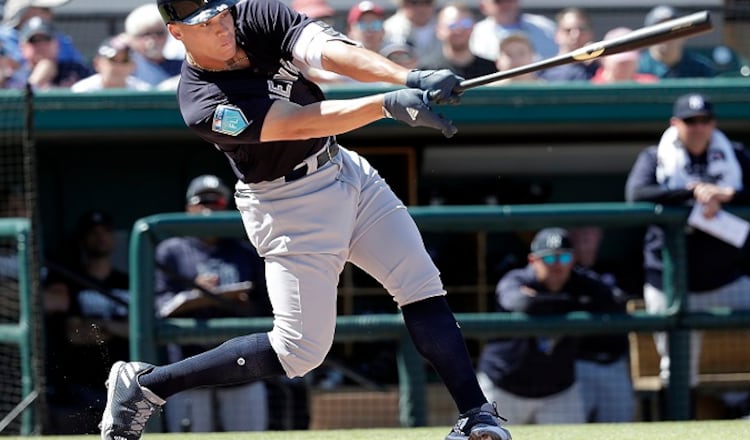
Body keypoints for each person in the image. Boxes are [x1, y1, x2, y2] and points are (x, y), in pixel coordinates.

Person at [99, 3, 511, 440]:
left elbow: (328, 49)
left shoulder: (251, 15)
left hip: (344, 168)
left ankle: (475, 415)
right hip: (288, 203)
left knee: (421, 284)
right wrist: (386, 104)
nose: (223, 29)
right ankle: (147, 386)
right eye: (207, 25)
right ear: (177, 33)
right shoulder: (201, 101)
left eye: (223, 18)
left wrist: (406, 77)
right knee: (299, 352)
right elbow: (295, 124)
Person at [624, 92, 750, 419]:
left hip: (723, 278)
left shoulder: (734, 154)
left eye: (705, 121)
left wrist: (729, 194)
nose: (698, 127)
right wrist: (692, 191)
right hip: (669, 281)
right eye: (690, 121)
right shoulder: (655, 155)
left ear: (713, 124)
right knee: (679, 367)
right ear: (676, 124)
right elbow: (637, 193)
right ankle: (677, 429)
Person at [155, 175, 272, 433]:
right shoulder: (172, 250)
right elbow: (159, 308)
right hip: (189, 366)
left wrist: (240, 302)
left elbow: (268, 306)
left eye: (217, 201)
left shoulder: (245, 251)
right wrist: (197, 295)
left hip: (242, 367)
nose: (209, 208)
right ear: (189, 208)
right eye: (202, 201)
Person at [476, 227, 623, 424]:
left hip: (558, 391)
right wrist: (574, 303)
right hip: (504, 385)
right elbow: (518, 302)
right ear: (533, 260)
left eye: (563, 259)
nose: (556, 266)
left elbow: (615, 301)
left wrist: (542, 302)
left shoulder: (583, 282)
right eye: (549, 259)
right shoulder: (517, 278)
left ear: (573, 260)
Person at [43, 210, 130, 433]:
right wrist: (116, 328)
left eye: (105, 232)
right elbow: (75, 334)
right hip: (79, 385)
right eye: (93, 233)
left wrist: (105, 326)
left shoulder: (128, 281)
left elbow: (139, 329)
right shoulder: (69, 280)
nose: (100, 237)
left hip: (125, 385)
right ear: (82, 239)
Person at [566, 226, 635, 423]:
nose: (585, 240)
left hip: (615, 363)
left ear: (599, 236)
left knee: (621, 430)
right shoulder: (566, 276)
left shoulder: (616, 269)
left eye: (590, 234)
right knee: (571, 431)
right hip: (579, 364)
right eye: (579, 234)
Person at [418, 3, 497, 79]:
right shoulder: (427, 72)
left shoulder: (491, 70)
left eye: (465, 24)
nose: (459, 30)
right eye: (452, 25)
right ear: (439, 30)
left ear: (473, 27)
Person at [637, 5, 715, 79]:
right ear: (647, 37)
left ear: (683, 35)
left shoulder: (700, 68)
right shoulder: (636, 68)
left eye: (672, 30)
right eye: (659, 30)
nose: (666, 36)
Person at [469, 0, 557, 63]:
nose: (506, 4)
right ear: (483, 6)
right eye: (498, 1)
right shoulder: (475, 33)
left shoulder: (544, 27)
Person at [17, 15, 91, 89]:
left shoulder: (77, 70)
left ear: (57, 44)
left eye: (46, 39)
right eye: (34, 41)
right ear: (22, 47)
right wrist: (36, 82)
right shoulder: (16, 76)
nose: (41, 45)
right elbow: (15, 99)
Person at [2, 0, 86, 64]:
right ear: (23, 12)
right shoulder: (3, 41)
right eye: (45, 9)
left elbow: (80, 69)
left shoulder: (58, 40)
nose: (51, 14)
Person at [124, 3, 183, 88]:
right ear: (131, 38)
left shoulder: (182, 68)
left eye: (159, 33)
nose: (153, 39)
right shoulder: (122, 67)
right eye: (145, 34)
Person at [71, 34, 151, 92]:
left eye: (124, 61)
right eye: (112, 60)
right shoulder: (81, 91)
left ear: (133, 66)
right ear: (97, 63)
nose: (118, 66)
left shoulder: (143, 92)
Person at [539, 7, 597, 82]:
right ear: (557, 35)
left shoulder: (601, 68)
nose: (575, 35)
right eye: (568, 30)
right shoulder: (542, 69)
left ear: (591, 33)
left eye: (582, 29)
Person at [382, 0, 441, 66]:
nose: (421, 8)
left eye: (427, 2)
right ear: (403, 4)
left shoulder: (444, 26)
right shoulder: (389, 29)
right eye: (414, 2)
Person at [590, 27, 658, 84]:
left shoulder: (649, 84)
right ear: (604, 60)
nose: (625, 66)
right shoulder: (593, 87)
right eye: (620, 63)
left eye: (629, 62)